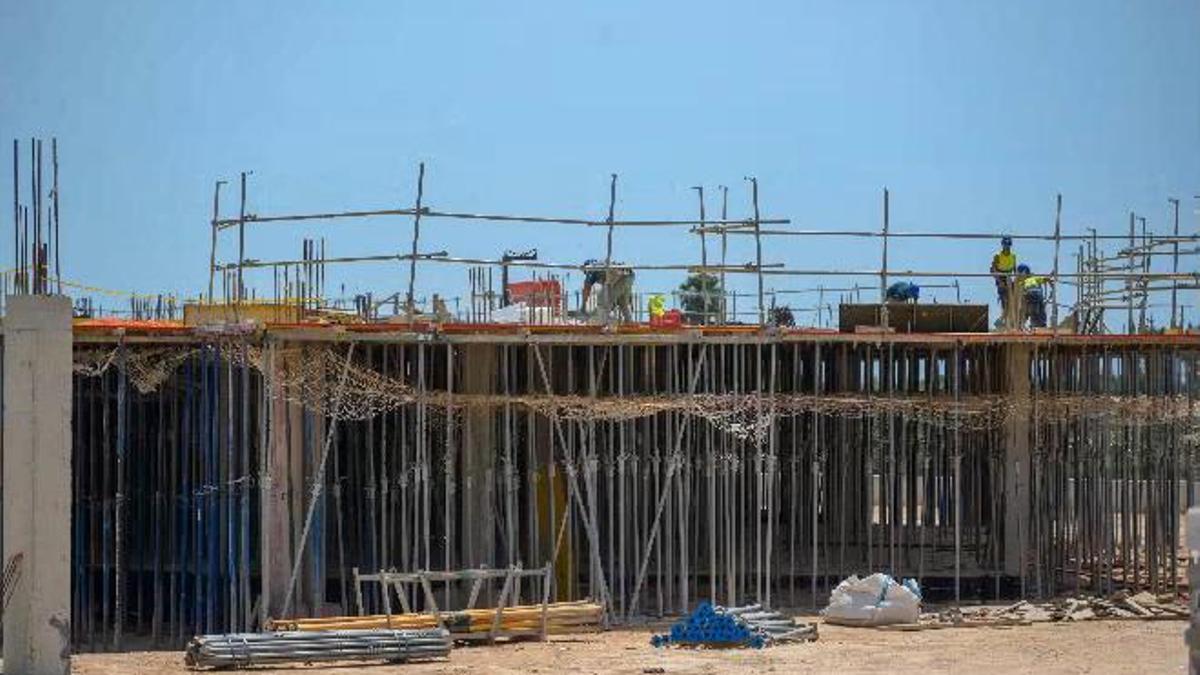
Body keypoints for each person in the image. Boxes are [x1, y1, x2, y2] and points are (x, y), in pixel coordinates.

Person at [1018, 264, 1053, 328]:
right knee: (1039, 308)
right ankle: (1041, 323)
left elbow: (1021, 288)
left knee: (1031, 309)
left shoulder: (1024, 280)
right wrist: (1050, 280)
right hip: (1037, 294)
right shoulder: (1034, 278)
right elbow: (1045, 279)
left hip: (1030, 293)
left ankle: (1034, 323)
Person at [990, 236, 1018, 312]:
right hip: (1000, 277)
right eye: (1005, 244)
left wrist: (1017, 281)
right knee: (1004, 297)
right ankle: (1004, 316)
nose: (1006, 246)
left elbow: (1015, 271)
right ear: (1002, 245)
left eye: (1008, 244)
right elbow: (993, 270)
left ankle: (1012, 315)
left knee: (1014, 296)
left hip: (1009, 277)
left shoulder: (1013, 256)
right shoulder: (997, 256)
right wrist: (999, 281)